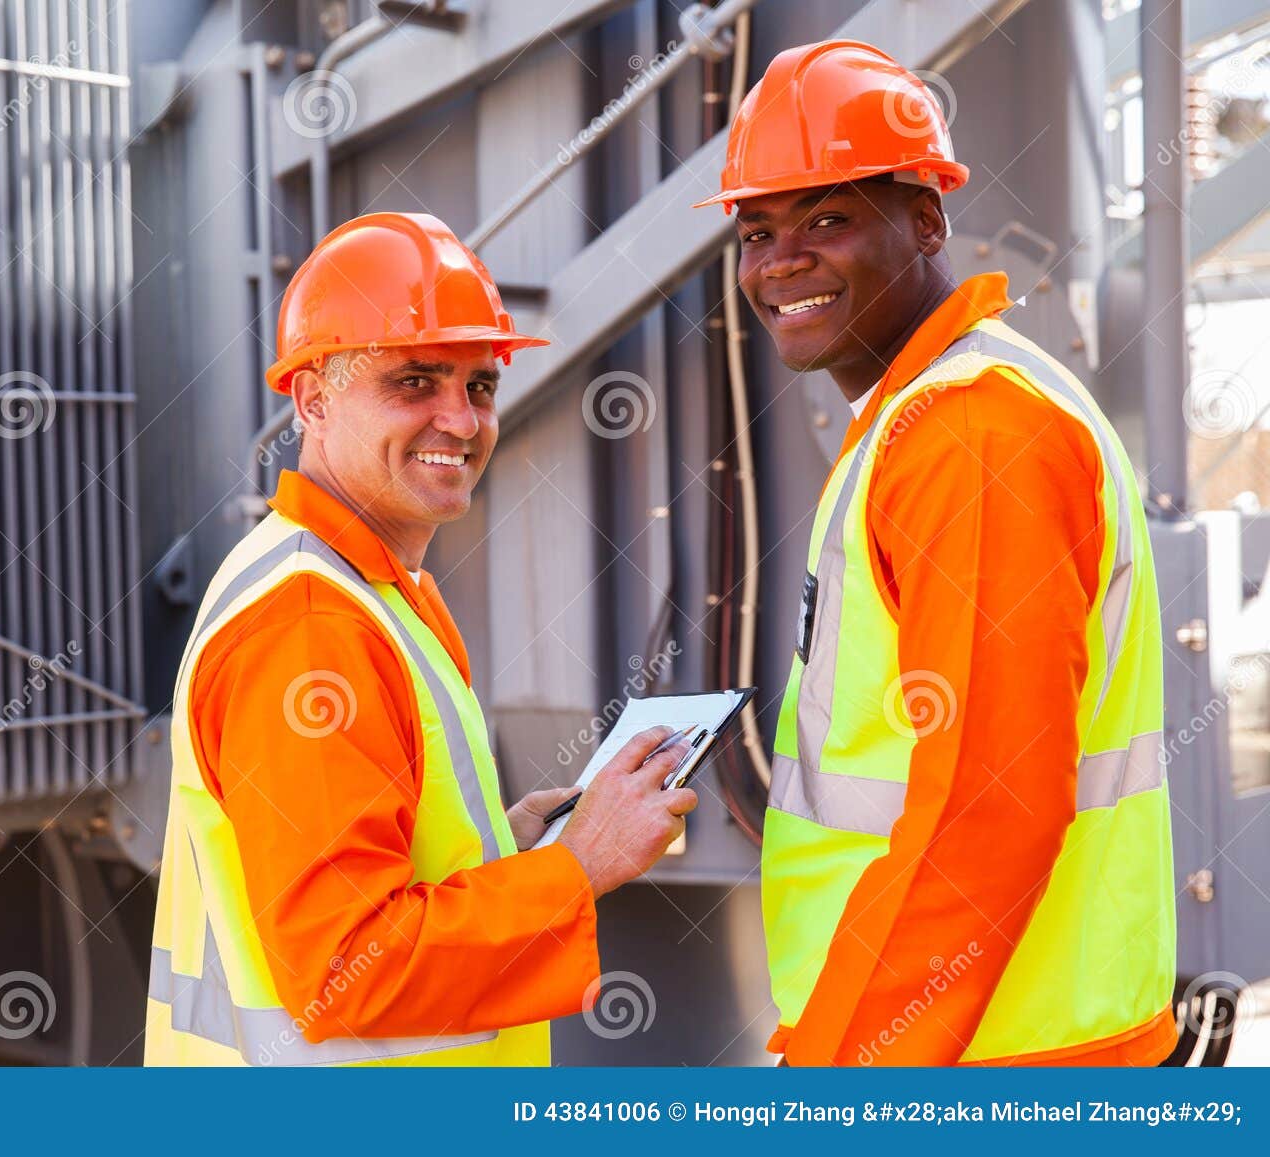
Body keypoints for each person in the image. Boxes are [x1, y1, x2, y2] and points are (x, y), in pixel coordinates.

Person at [693, 39, 1176, 1065]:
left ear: (924, 219)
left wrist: (849, 1067)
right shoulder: (923, 418)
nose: (781, 261)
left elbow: (988, 810)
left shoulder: (970, 436)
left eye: (826, 219)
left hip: (990, 1060)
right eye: (756, 231)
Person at [145, 211, 698, 1067]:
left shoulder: (373, 592)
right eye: (414, 382)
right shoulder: (310, 625)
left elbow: (374, 875)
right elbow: (346, 971)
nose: (462, 420)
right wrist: (575, 867)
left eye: (479, 386)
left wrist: (503, 844)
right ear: (312, 400)